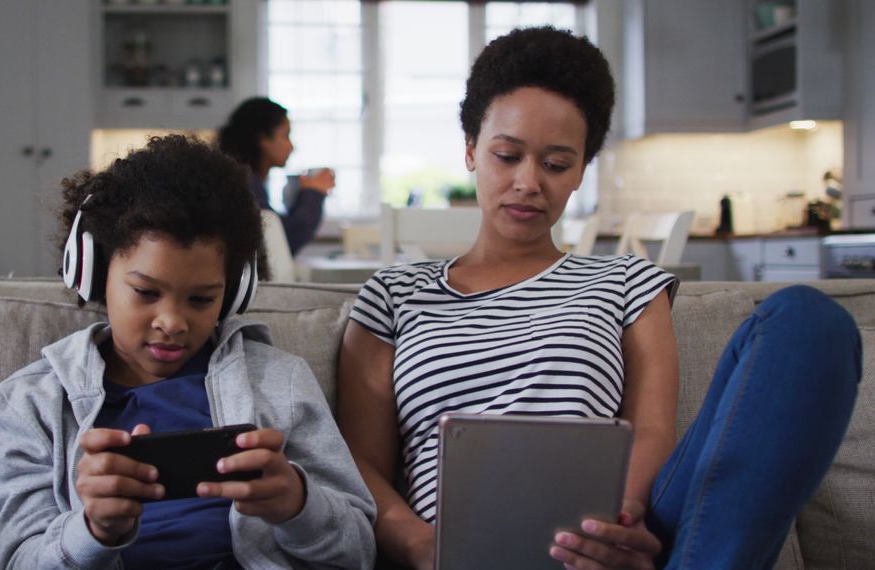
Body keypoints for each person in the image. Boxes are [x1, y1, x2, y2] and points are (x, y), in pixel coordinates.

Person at [337, 26, 861, 570]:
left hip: (607, 534)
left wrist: (619, 526)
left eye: (556, 164)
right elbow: (356, 464)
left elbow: (651, 430)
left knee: (807, 321)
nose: (528, 182)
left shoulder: (627, 282)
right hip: (458, 550)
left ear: (581, 170)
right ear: (471, 151)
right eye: (506, 155)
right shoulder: (395, 295)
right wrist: (420, 544)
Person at [0, 135, 375, 569]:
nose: (173, 322)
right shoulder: (24, 407)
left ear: (235, 291)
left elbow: (359, 551)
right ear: (93, 272)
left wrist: (299, 504)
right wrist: (93, 531)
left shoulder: (280, 382)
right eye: (146, 292)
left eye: (201, 299)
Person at [218, 97, 335, 256]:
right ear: (263, 139)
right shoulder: (244, 185)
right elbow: (283, 242)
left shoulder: (241, 179)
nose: (291, 146)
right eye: (285, 135)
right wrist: (313, 193)